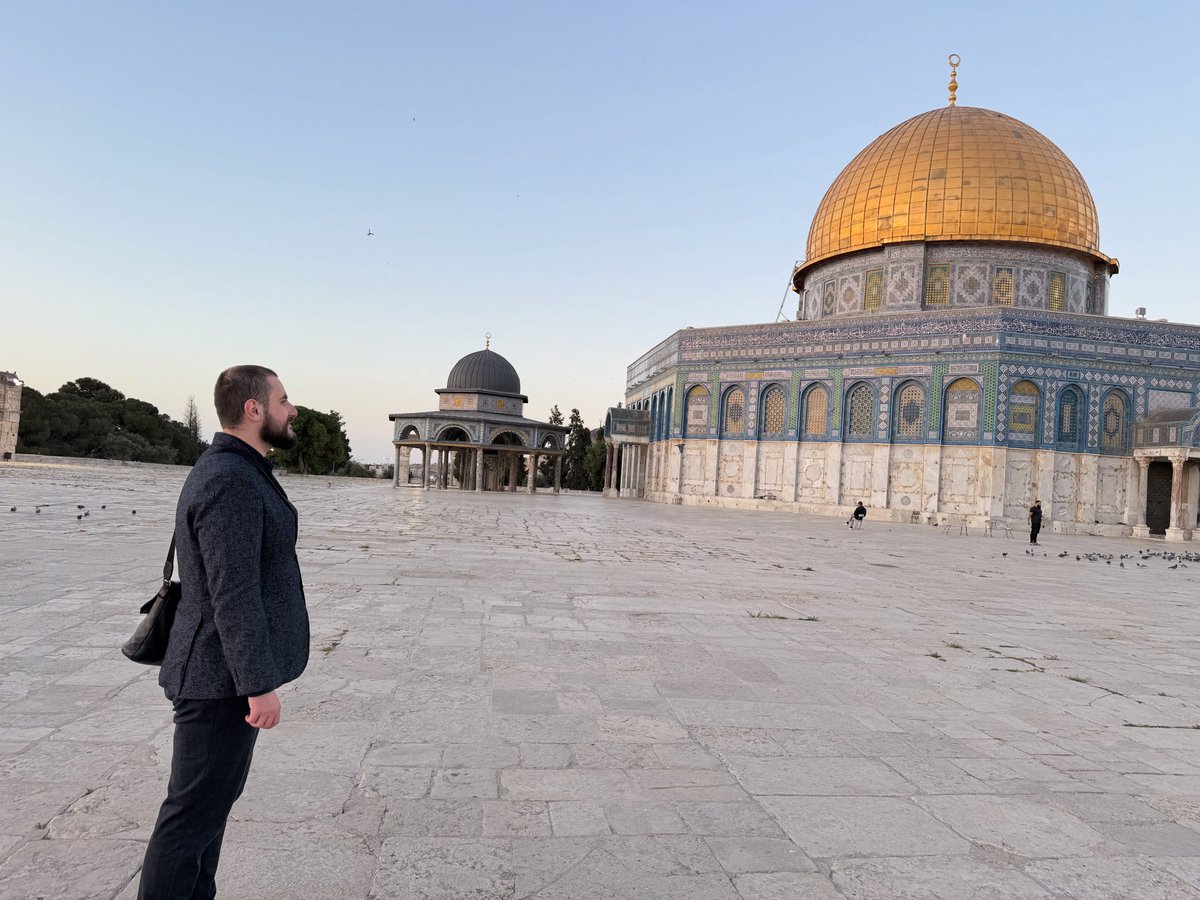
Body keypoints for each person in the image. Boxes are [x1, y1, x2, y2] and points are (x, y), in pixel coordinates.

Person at [139, 366, 310, 899]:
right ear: (254, 409)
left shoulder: (235, 469)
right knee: (190, 820)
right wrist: (258, 685)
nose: (293, 409)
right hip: (219, 679)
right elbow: (231, 595)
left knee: (206, 815)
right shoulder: (231, 479)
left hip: (219, 674)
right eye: (283, 400)